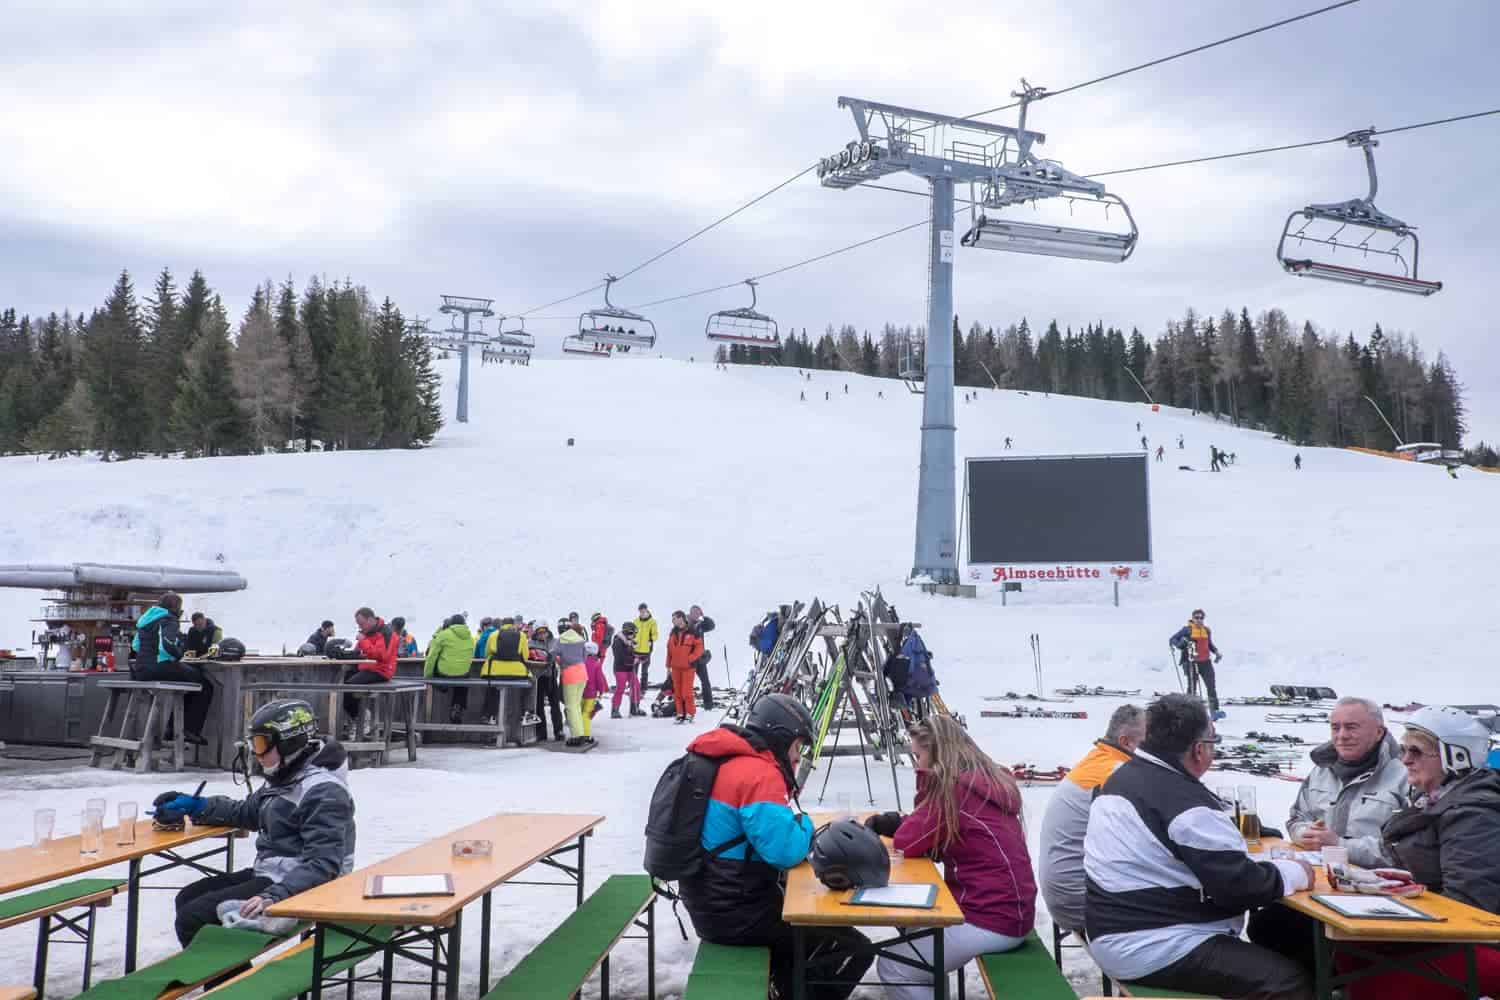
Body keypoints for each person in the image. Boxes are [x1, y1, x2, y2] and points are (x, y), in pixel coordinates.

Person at [1085, 694, 1314, 999]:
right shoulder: (1183, 801)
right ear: (1198, 749)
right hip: (1153, 942)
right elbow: (1240, 888)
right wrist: (1294, 872)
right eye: (1213, 742)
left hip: (1115, 928)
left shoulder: (1122, 777)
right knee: (1287, 983)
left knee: (1271, 935)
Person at [678, 694, 872, 1000]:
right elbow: (785, 853)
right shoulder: (758, 774)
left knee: (808, 939)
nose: (797, 756)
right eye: (797, 746)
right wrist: (806, 824)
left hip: (710, 899)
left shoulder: (728, 761)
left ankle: (785, 990)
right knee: (853, 947)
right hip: (735, 914)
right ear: (781, 739)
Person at [157, 699, 355, 946]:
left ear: (288, 743)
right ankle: (228, 976)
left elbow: (324, 863)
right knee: (188, 897)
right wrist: (197, 806)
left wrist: (275, 895)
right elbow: (248, 812)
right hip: (276, 871)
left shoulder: (322, 790)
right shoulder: (287, 774)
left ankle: (228, 981)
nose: (255, 753)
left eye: (261, 744)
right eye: (252, 744)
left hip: (299, 881)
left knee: (193, 917)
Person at [1335, 706, 1500, 999]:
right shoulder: (1434, 800)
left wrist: (1399, 901)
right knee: (1346, 952)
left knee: (1373, 977)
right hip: (1439, 933)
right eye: (1403, 749)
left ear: (1456, 756)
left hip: (1478, 945)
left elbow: (1470, 907)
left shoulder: (1474, 814)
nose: (1405, 759)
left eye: (1417, 751)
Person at [869, 715, 1037, 999]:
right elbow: (928, 829)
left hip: (989, 918)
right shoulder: (982, 783)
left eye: (918, 756)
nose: (917, 765)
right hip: (1010, 911)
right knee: (916, 929)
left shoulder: (954, 790)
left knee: (896, 963)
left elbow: (909, 841)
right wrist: (902, 820)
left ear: (937, 755)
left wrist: (925, 783)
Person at [1247, 697, 1407, 971]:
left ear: (1379, 732)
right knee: (1265, 925)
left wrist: (1341, 845)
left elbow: (1404, 850)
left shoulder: (1404, 773)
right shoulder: (1321, 769)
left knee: (1309, 944)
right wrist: (1303, 834)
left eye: (1352, 727)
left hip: (1377, 896)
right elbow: (1297, 816)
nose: (1342, 736)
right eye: (1336, 728)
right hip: (1321, 887)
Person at [1038, 705, 1146, 936]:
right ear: (1126, 741)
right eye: (1149, 742)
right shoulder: (1116, 772)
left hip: (1065, 892)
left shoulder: (1099, 759)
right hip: (1080, 901)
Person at [132, 592, 212, 745]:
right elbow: (168, 643)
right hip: (159, 666)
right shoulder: (169, 619)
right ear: (175, 607)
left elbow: (136, 645)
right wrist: (179, 654)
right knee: (203, 685)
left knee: (189, 682)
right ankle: (190, 729)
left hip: (141, 670)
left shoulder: (146, 620)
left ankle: (172, 729)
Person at [344, 608, 398, 738]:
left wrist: (363, 641)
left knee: (349, 686)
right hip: (367, 667)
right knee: (342, 683)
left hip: (381, 670)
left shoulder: (386, 632)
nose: (360, 627)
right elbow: (361, 651)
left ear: (370, 619)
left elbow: (382, 655)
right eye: (358, 624)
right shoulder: (368, 632)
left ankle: (362, 718)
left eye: (361, 624)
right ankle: (357, 718)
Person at [481, 617, 531, 737]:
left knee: (491, 689)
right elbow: (525, 656)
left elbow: (487, 653)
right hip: (516, 673)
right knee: (530, 684)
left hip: (495, 672)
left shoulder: (493, 635)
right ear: (513, 625)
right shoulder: (521, 636)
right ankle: (526, 712)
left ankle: (489, 714)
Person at [1169, 609, 1223, 720]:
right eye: (1197, 617)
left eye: (1201, 618)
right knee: (1192, 686)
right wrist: (1181, 644)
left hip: (1205, 661)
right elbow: (1172, 639)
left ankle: (1214, 711)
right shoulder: (1187, 630)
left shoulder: (1206, 630)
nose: (1199, 620)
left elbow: (1209, 644)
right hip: (1190, 661)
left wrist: (1216, 651)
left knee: (1211, 685)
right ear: (1193, 618)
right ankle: (1190, 710)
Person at [423, 614, 476, 723]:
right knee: (463, 681)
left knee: (439, 669)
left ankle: (443, 687)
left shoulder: (443, 635)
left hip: (444, 673)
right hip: (463, 674)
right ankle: (458, 706)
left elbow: (431, 656)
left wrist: (427, 676)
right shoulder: (470, 638)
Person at [555, 618, 590, 746]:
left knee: (570, 706)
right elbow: (584, 657)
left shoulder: (562, 639)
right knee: (577, 705)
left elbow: (554, 654)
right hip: (582, 673)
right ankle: (580, 733)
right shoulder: (581, 640)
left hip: (570, 675)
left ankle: (576, 736)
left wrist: (561, 662)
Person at [666, 610, 705, 724]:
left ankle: (690, 713)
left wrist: (690, 658)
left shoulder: (693, 631)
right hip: (675, 667)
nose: (673, 621)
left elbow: (699, 648)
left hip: (688, 667)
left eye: (674, 618)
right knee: (677, 692)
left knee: (687, 692)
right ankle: (680, 714)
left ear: (681, 618)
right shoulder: (673, 633)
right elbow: (669, 650)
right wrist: (668, 666)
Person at [529, 623, 564, 741]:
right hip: (538, 677)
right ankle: (541, 733)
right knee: (539, 705)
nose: (542, 635)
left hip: (551, 676)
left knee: (555, 704)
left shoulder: (554, 641)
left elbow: (558, 655)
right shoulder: (531, 643)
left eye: (544, 632)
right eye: (539, 632)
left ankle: (559, 731)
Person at [611, 621, 643, 717]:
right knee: (620, 688)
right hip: (620, 668)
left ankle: (635, 708)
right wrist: (633, 660)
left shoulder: (629, 641)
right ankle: (615, 710)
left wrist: (639, 657)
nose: (634, 636)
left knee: (636, 686)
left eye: (635, 634)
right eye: (632, 634)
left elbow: (631, 654)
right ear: (627, 632)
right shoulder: (618, 641)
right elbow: (620, 657)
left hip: (629, 668)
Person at [688, 605, 717, 711]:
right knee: (687, 683)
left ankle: (708, 705)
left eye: (698, 613)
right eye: (694, 612)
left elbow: (711, 626)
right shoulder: (686, 624)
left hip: (700, 659)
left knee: (705, 681)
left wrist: (704, 617)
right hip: (689, 660)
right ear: (690, 613)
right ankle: (683, 704)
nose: (696, 614)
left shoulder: (700, 625)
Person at [580, 641, 609, 742]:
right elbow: (599, 679)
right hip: (591, 694)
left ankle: (577, 733)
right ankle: (586, 735)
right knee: (587, 714)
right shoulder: (596, 664)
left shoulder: (580, 662)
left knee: (579, 712)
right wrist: (601, 691)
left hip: (579, 692)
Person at [633, 603, 659, 693]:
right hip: (636, 650)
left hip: (646, 650)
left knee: (644, 670)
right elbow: (633, 633)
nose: (642, 612)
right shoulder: (636, 621)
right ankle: (633, 686)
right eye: (640, 611)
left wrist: (651, 640)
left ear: (647, 610)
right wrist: (632, 641)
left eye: (643, 611)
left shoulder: (652, 622)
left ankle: (643, 687)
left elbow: (656, 634)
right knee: (634, 669)